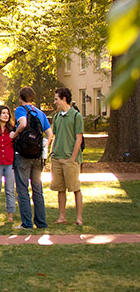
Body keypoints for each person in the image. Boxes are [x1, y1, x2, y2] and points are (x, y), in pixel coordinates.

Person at [11, 86, 54, 229]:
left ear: (20, 98)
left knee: (23, 188)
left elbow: (22, 123)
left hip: (23, 154)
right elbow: (49, 133)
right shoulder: (40, 113)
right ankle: (41, 222)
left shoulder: (20, 110)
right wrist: (44, 145)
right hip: (37, 155)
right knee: (37, 189)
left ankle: (27, 223)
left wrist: (14, 135)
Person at [50, 87, 85, 225]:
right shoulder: (57, 117)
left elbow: (79, 139)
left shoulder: (76, 116)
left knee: (75, 188)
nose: (55, 102)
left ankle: (79, 218)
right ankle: (62, 217)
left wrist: (72, 157)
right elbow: (55, 136)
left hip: (70, 159)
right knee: (60, 189)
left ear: (64, 99)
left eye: (56, 99)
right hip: (57, 158)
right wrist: (51, 154)